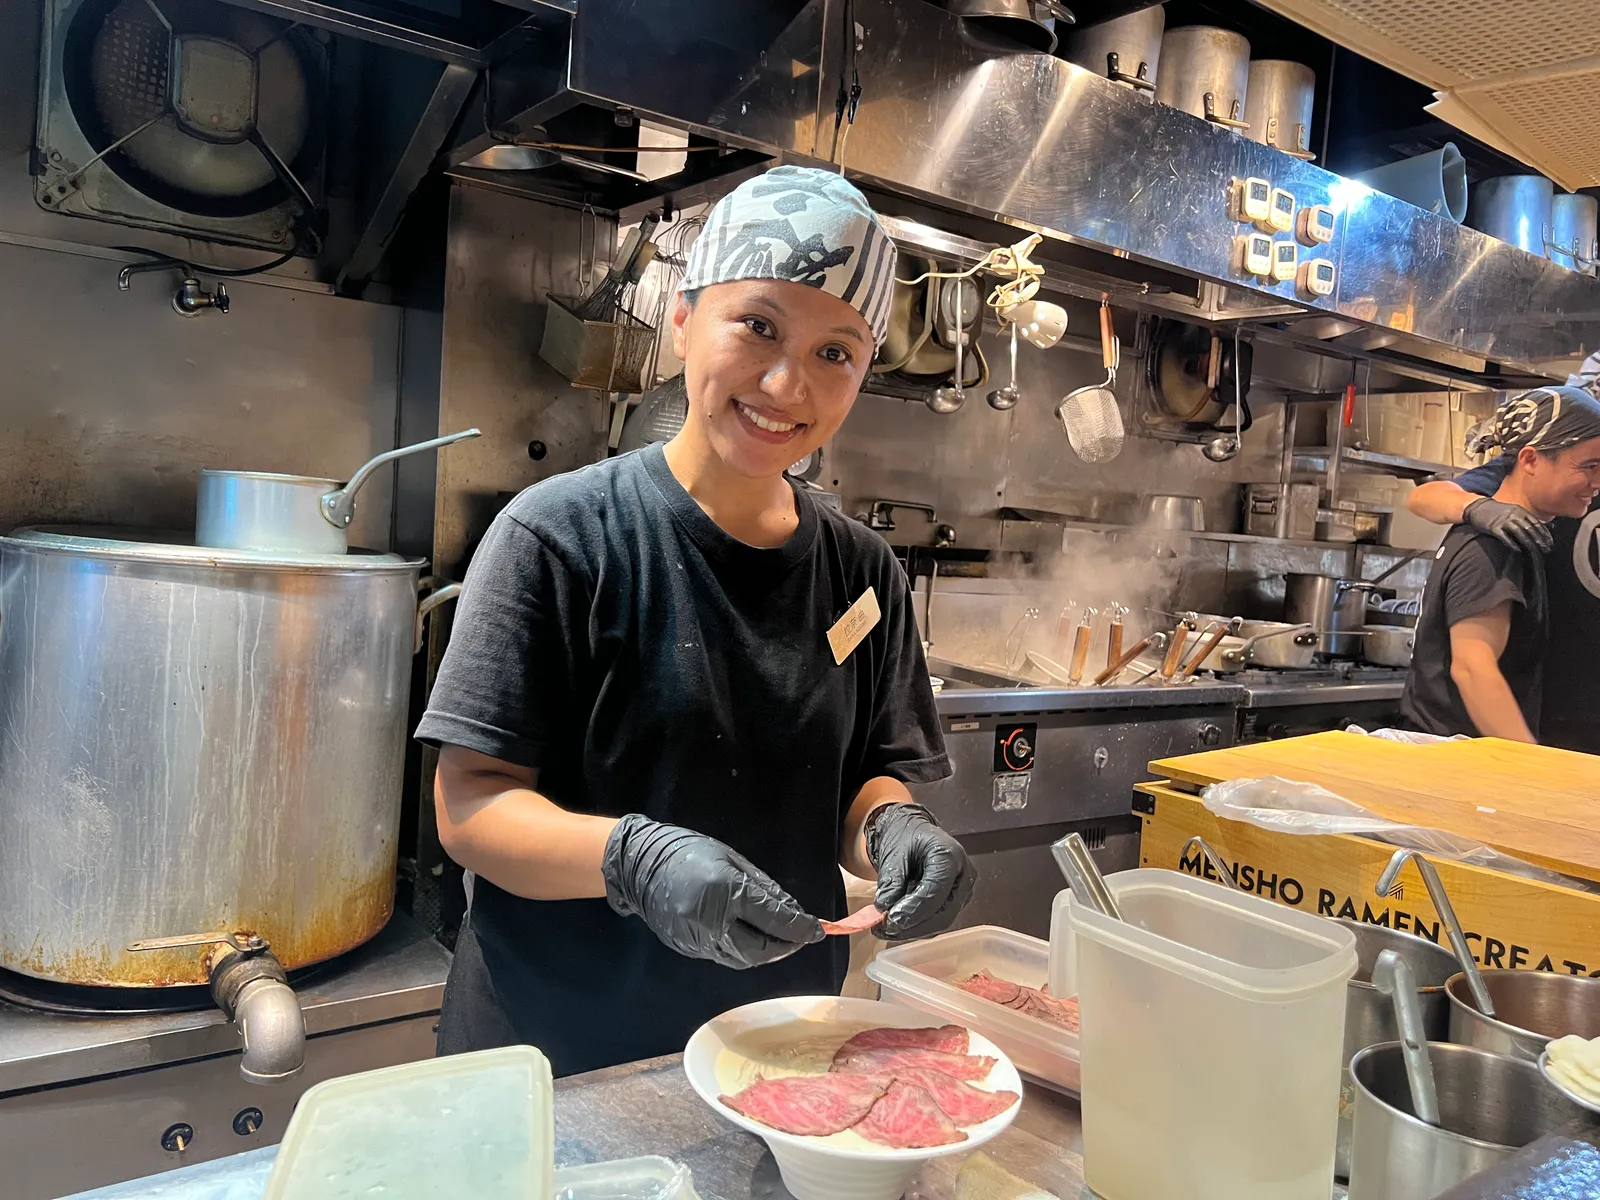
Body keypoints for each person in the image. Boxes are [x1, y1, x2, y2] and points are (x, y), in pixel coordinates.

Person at [415, 166, 972, 1075]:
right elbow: (470, 808)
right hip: (558, 1053)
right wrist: (632, 859)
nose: (787, 383)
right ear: (683, 321)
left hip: (778, 1045)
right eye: (758, 326)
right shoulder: (558, 535)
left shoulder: (863, 572)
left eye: (836, 352)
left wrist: (893, 831)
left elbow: (864, 778)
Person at [1407, 365, 1600, 753]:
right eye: (1591, 468)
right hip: (1482, 749)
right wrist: (1531, 762)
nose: (1597, 482)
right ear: (1530, 461)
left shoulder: (1535, 523)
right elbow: (1472, 668)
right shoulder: (1494, 542)